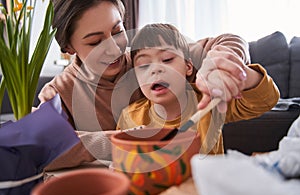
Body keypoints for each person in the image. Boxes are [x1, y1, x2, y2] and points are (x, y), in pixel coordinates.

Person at [39, 0, 279, 169]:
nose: (114, 48)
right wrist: (128, 141)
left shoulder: (147, 54)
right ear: (69, 49)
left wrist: (222, 62)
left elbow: (228, 41)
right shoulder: (59, 92)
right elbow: (43, 150)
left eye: (117, 30)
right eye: (95, 42)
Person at [117, 23, 280, 154]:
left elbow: (266, 100)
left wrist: (241, 77)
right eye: (144, 65)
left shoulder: (209, 101)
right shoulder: (129, 117)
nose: (155, 69)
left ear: (188, 67)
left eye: (167, 59)